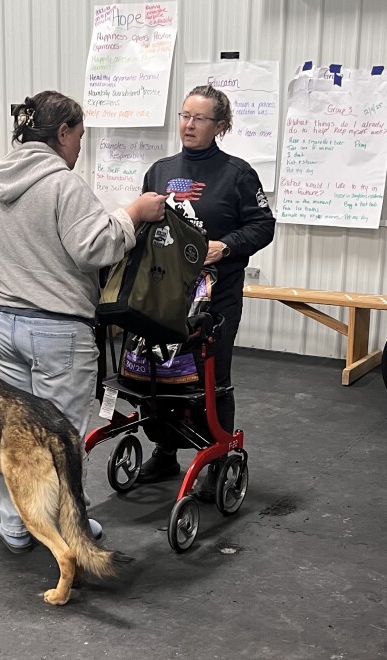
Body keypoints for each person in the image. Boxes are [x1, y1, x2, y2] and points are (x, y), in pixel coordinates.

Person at [0, 90, 166, 553]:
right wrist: (133, 214)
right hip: (56, 329)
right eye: (79, 137)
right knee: (59, 438)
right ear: (62, 133)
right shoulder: (64, 183)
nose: (80, 149)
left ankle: (17, 525)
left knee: (14, 435)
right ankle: (64, 528)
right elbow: (93, 248)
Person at [137, 84, 276, 491]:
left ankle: (218, 454)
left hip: (218, 295)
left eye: (199, 118)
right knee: (161, 370)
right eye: (184, 116)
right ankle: (165, 452)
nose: (189, 124)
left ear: (221, 125)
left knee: (211, 372)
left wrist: (226, 246)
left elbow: (263, 225)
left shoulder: (237, 173)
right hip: (166, 291)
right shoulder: (160, 170)